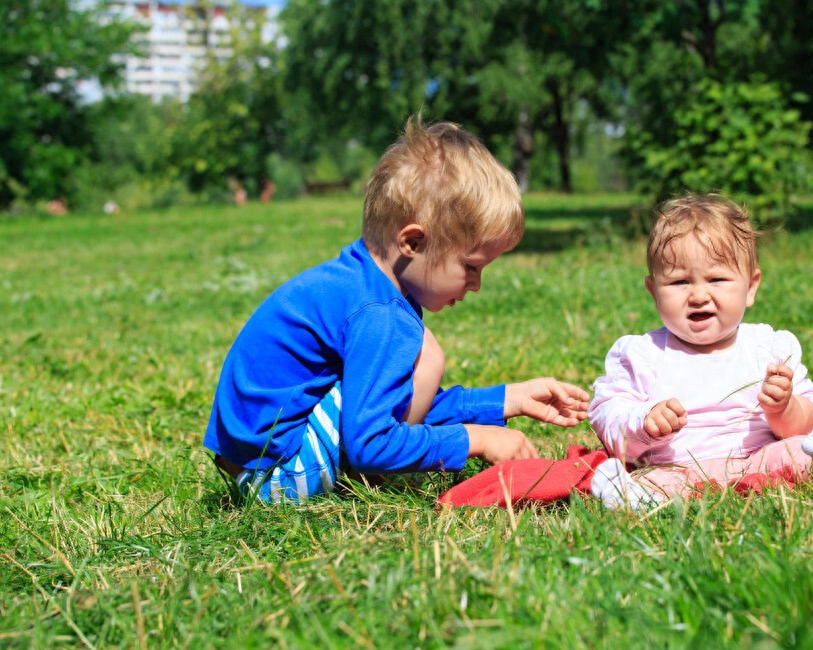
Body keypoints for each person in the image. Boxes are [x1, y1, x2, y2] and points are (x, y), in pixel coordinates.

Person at [205, 117, 590, 504]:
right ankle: (369, 480)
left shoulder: (359, 280)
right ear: (413, 242)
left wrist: (510, 399)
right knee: (426, 354)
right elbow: (370, 442)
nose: (476, 284)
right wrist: (475, 438)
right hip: (279, 478)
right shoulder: (381, 312)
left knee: (410, 365)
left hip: (254, 465)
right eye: (471, 266)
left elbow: (400, 400)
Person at [587, 193, 813, 510]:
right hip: (675, 466)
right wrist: (643, 422)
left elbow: (807, 419)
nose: (698, 295)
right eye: (679, 282)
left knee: (798, 449)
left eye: (717, 279)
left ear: (750, 287)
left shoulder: (768, 349)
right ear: (654, 292)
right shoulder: (642, 354)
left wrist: (784, 407)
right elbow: (606, 414)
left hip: (756, 457)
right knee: (652, 481)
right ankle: (634, 497)